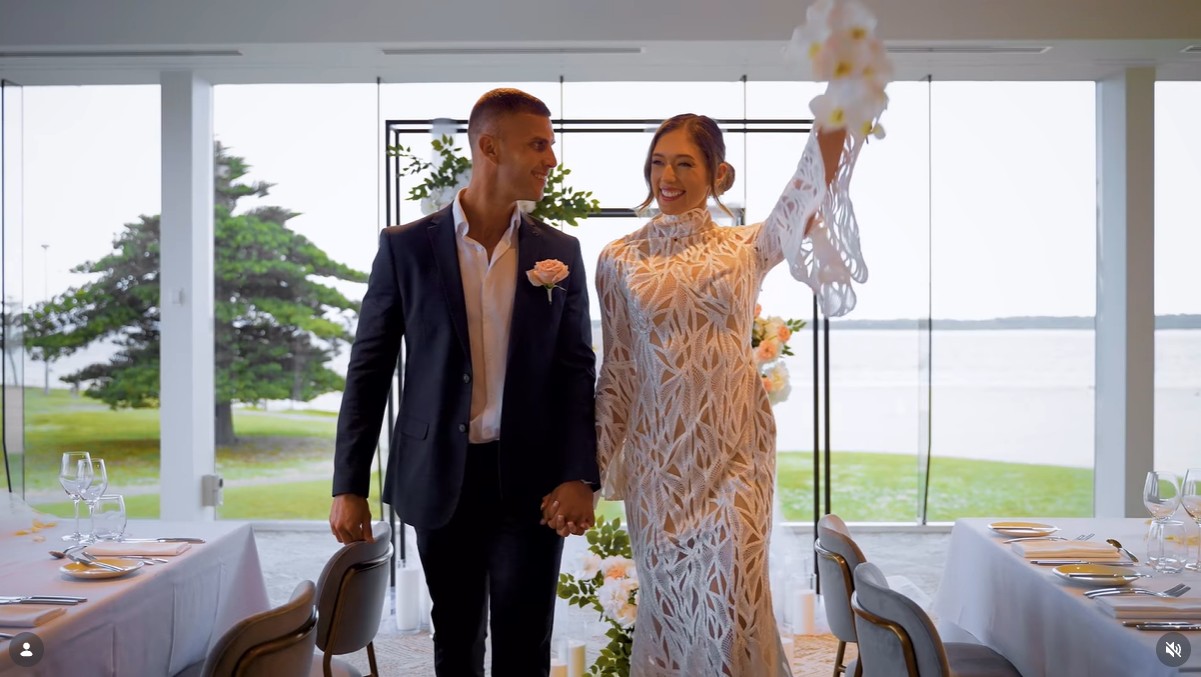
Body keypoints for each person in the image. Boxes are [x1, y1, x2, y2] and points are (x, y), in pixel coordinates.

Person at [330, 87, 600, 677]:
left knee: (525, 642)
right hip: (437, 476)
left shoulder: (560, 252)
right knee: (454, 639)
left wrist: (581, 474)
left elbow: (577, 372)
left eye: (550, 145)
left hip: (530, 479)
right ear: (489, 147)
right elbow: (369, 369)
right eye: (538, 145)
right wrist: (348, 485)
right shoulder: (405, 247)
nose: (550, 159)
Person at [593, 112, 857, 675]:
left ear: (720, 174)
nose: (667, 176)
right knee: (670, 613)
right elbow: (617, 371)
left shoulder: (746, 247)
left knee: (731, 606)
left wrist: (838, 115)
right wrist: (590, 469)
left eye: (684, 163)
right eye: (658, 163)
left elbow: (804, 194)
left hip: (736, 457)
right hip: (658, 469)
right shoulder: (617, 259)